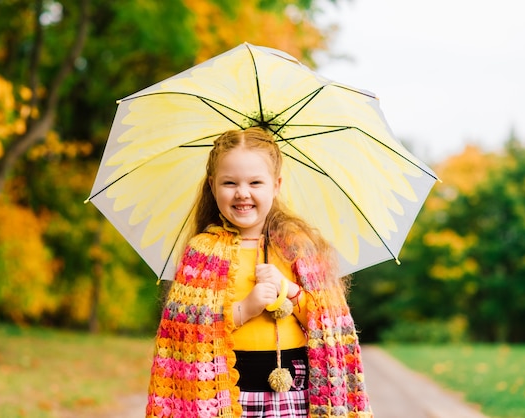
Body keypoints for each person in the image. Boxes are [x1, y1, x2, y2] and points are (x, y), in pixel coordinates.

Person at [145, 127, 373, 418]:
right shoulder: (202, 253)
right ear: (213, 186)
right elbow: (190, 333)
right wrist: (245, 308)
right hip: (227, 392)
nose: (242, 193)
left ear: (276, 185)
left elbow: (328, 321)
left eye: (255, 182)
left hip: (294, 391)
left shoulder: (298, 246)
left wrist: (289, 289)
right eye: (230, 183)